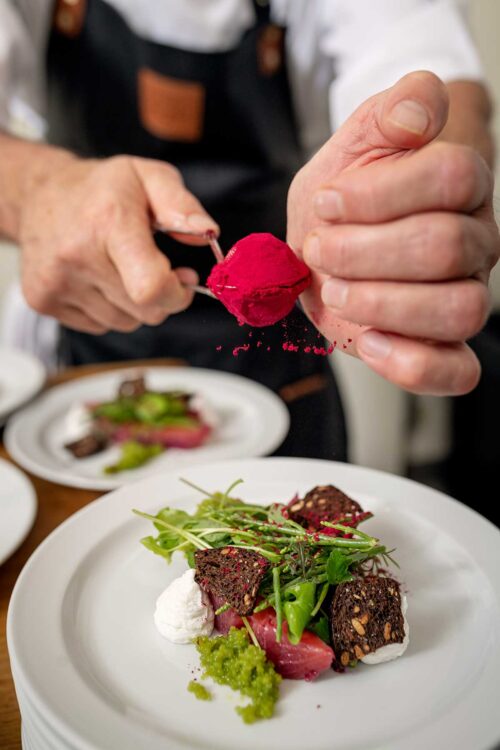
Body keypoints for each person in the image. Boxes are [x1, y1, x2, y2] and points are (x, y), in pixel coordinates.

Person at [0, 0, 498, 462]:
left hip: (280, 355)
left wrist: (416, 184)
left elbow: (429, 65)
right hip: (86, 349)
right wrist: (37, 187)